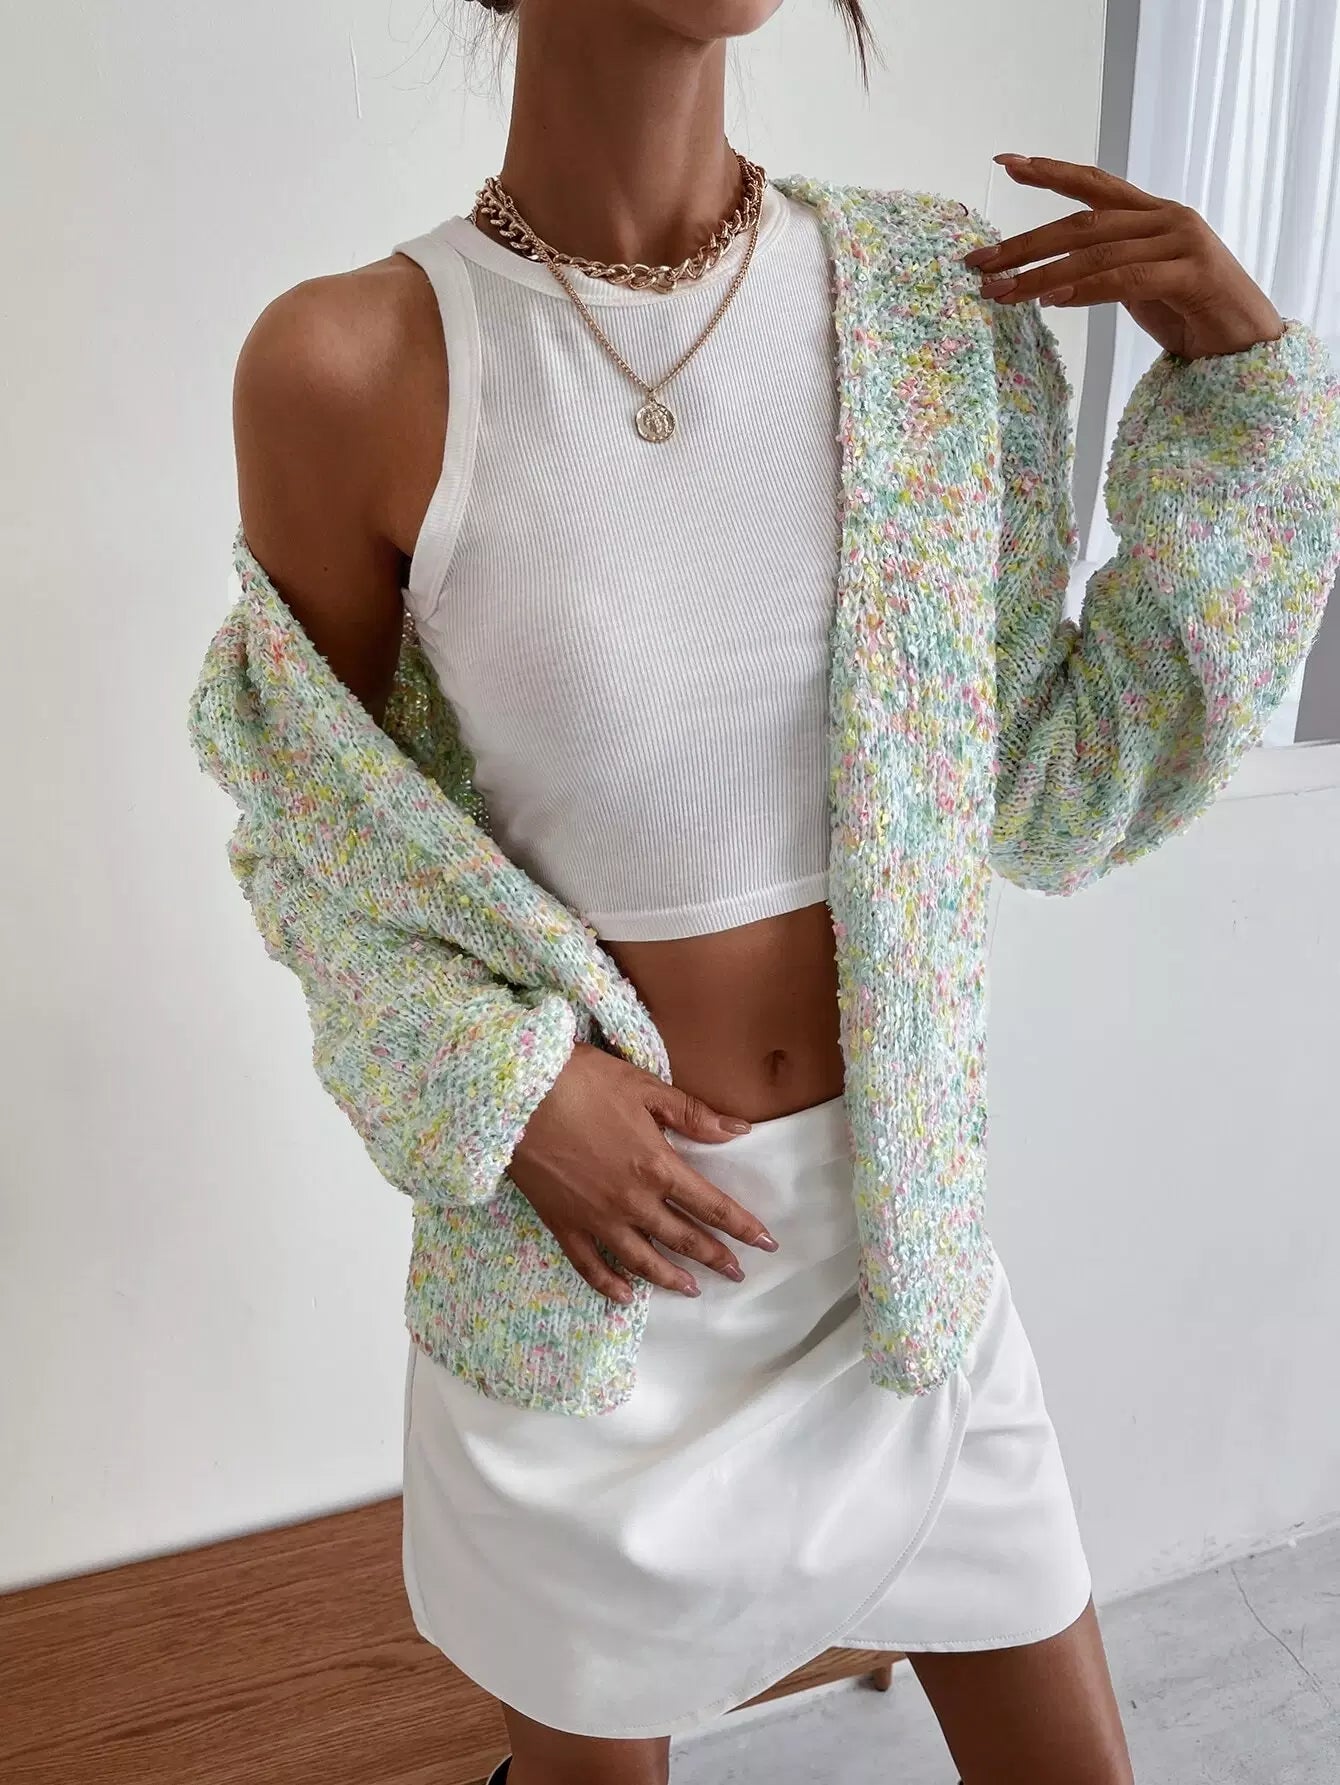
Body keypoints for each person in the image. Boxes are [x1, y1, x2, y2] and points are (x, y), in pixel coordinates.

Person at [214, 3, 1340, 1782]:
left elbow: (1052, 783)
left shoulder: (930, 308)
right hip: (589, 1275)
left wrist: (1245, 402)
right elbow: (318, 835)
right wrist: (515, 1096)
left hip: (899, 1264)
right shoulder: (349, 365)